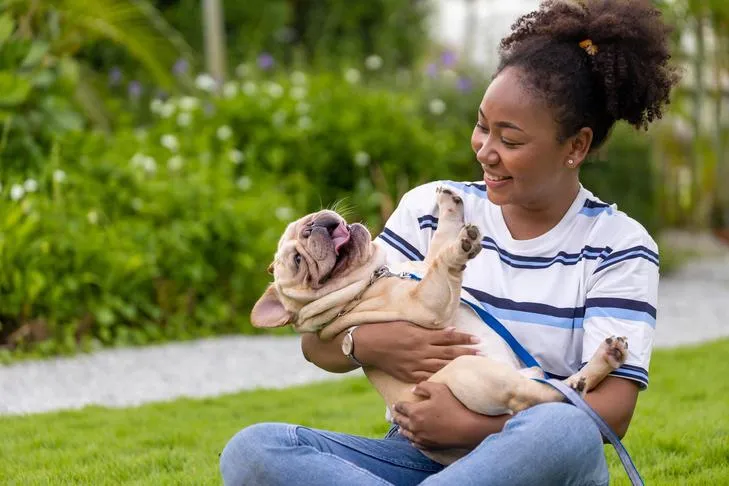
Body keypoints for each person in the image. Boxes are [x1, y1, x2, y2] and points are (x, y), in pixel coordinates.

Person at [220, 0, 680, 484]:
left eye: (511, 140)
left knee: (564, 428)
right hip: (420, 457)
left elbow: (612, 413)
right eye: (482, 126)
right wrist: (369, 343)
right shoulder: (432, 207)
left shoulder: (618, 244)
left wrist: (472, 426)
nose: (485, 149)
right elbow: (319, 345)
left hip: (532, 454)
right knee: (254, 450)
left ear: (575, 147)